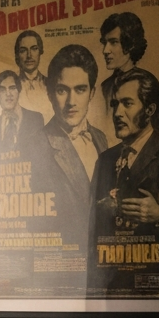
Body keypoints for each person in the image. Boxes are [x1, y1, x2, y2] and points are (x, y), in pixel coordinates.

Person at [26, 44, 108, 289]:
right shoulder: (33, 146)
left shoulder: (101, 139)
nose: (71, 101)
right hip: (58, 278)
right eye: (62, 90)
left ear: (92, 92)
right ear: (50, 93)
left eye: (80, 89)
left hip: (102, 273)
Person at [89, 68, 159, 294]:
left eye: (127, 103)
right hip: (109, 291)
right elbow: (92, 230)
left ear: (150, 109)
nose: (117, 113)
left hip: (153, 293)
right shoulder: (105, 160)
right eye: (115, 104)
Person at [0, 70, 44, 173]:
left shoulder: (35, 119)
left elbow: (41, 163)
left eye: (12, 88)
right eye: (2, 90)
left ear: (19, 91)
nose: (8, 94)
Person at [99, 12, 147, 110]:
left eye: (114, 42)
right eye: (105, 43)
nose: (105, 51)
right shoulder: (106, 87)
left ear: (129, 45)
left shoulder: (146, 83)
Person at [15, 30, 52, 121]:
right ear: (17, 55)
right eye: (23, 50)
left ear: (40, 52)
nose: (29, 55)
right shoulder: (13, 86)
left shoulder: (51, 84)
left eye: (34, 49)